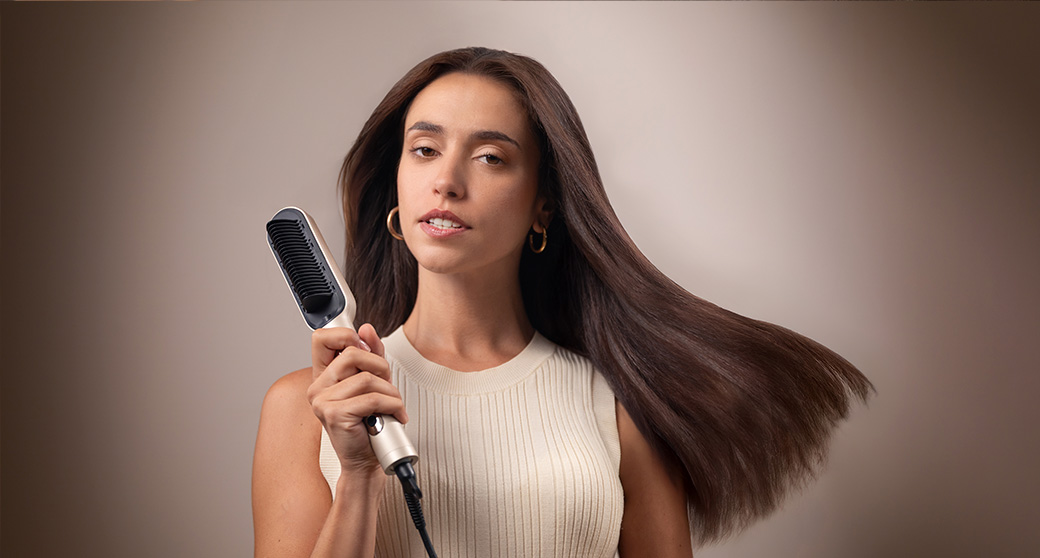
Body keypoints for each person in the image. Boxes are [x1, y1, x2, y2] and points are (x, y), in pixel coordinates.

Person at [252, 47, 871, 558]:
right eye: (425, 149)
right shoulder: (302, 410)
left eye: (491, 157)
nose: (447, 180)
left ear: (543, 205)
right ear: (398, 182)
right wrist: (359, 475)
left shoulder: (621, 407)